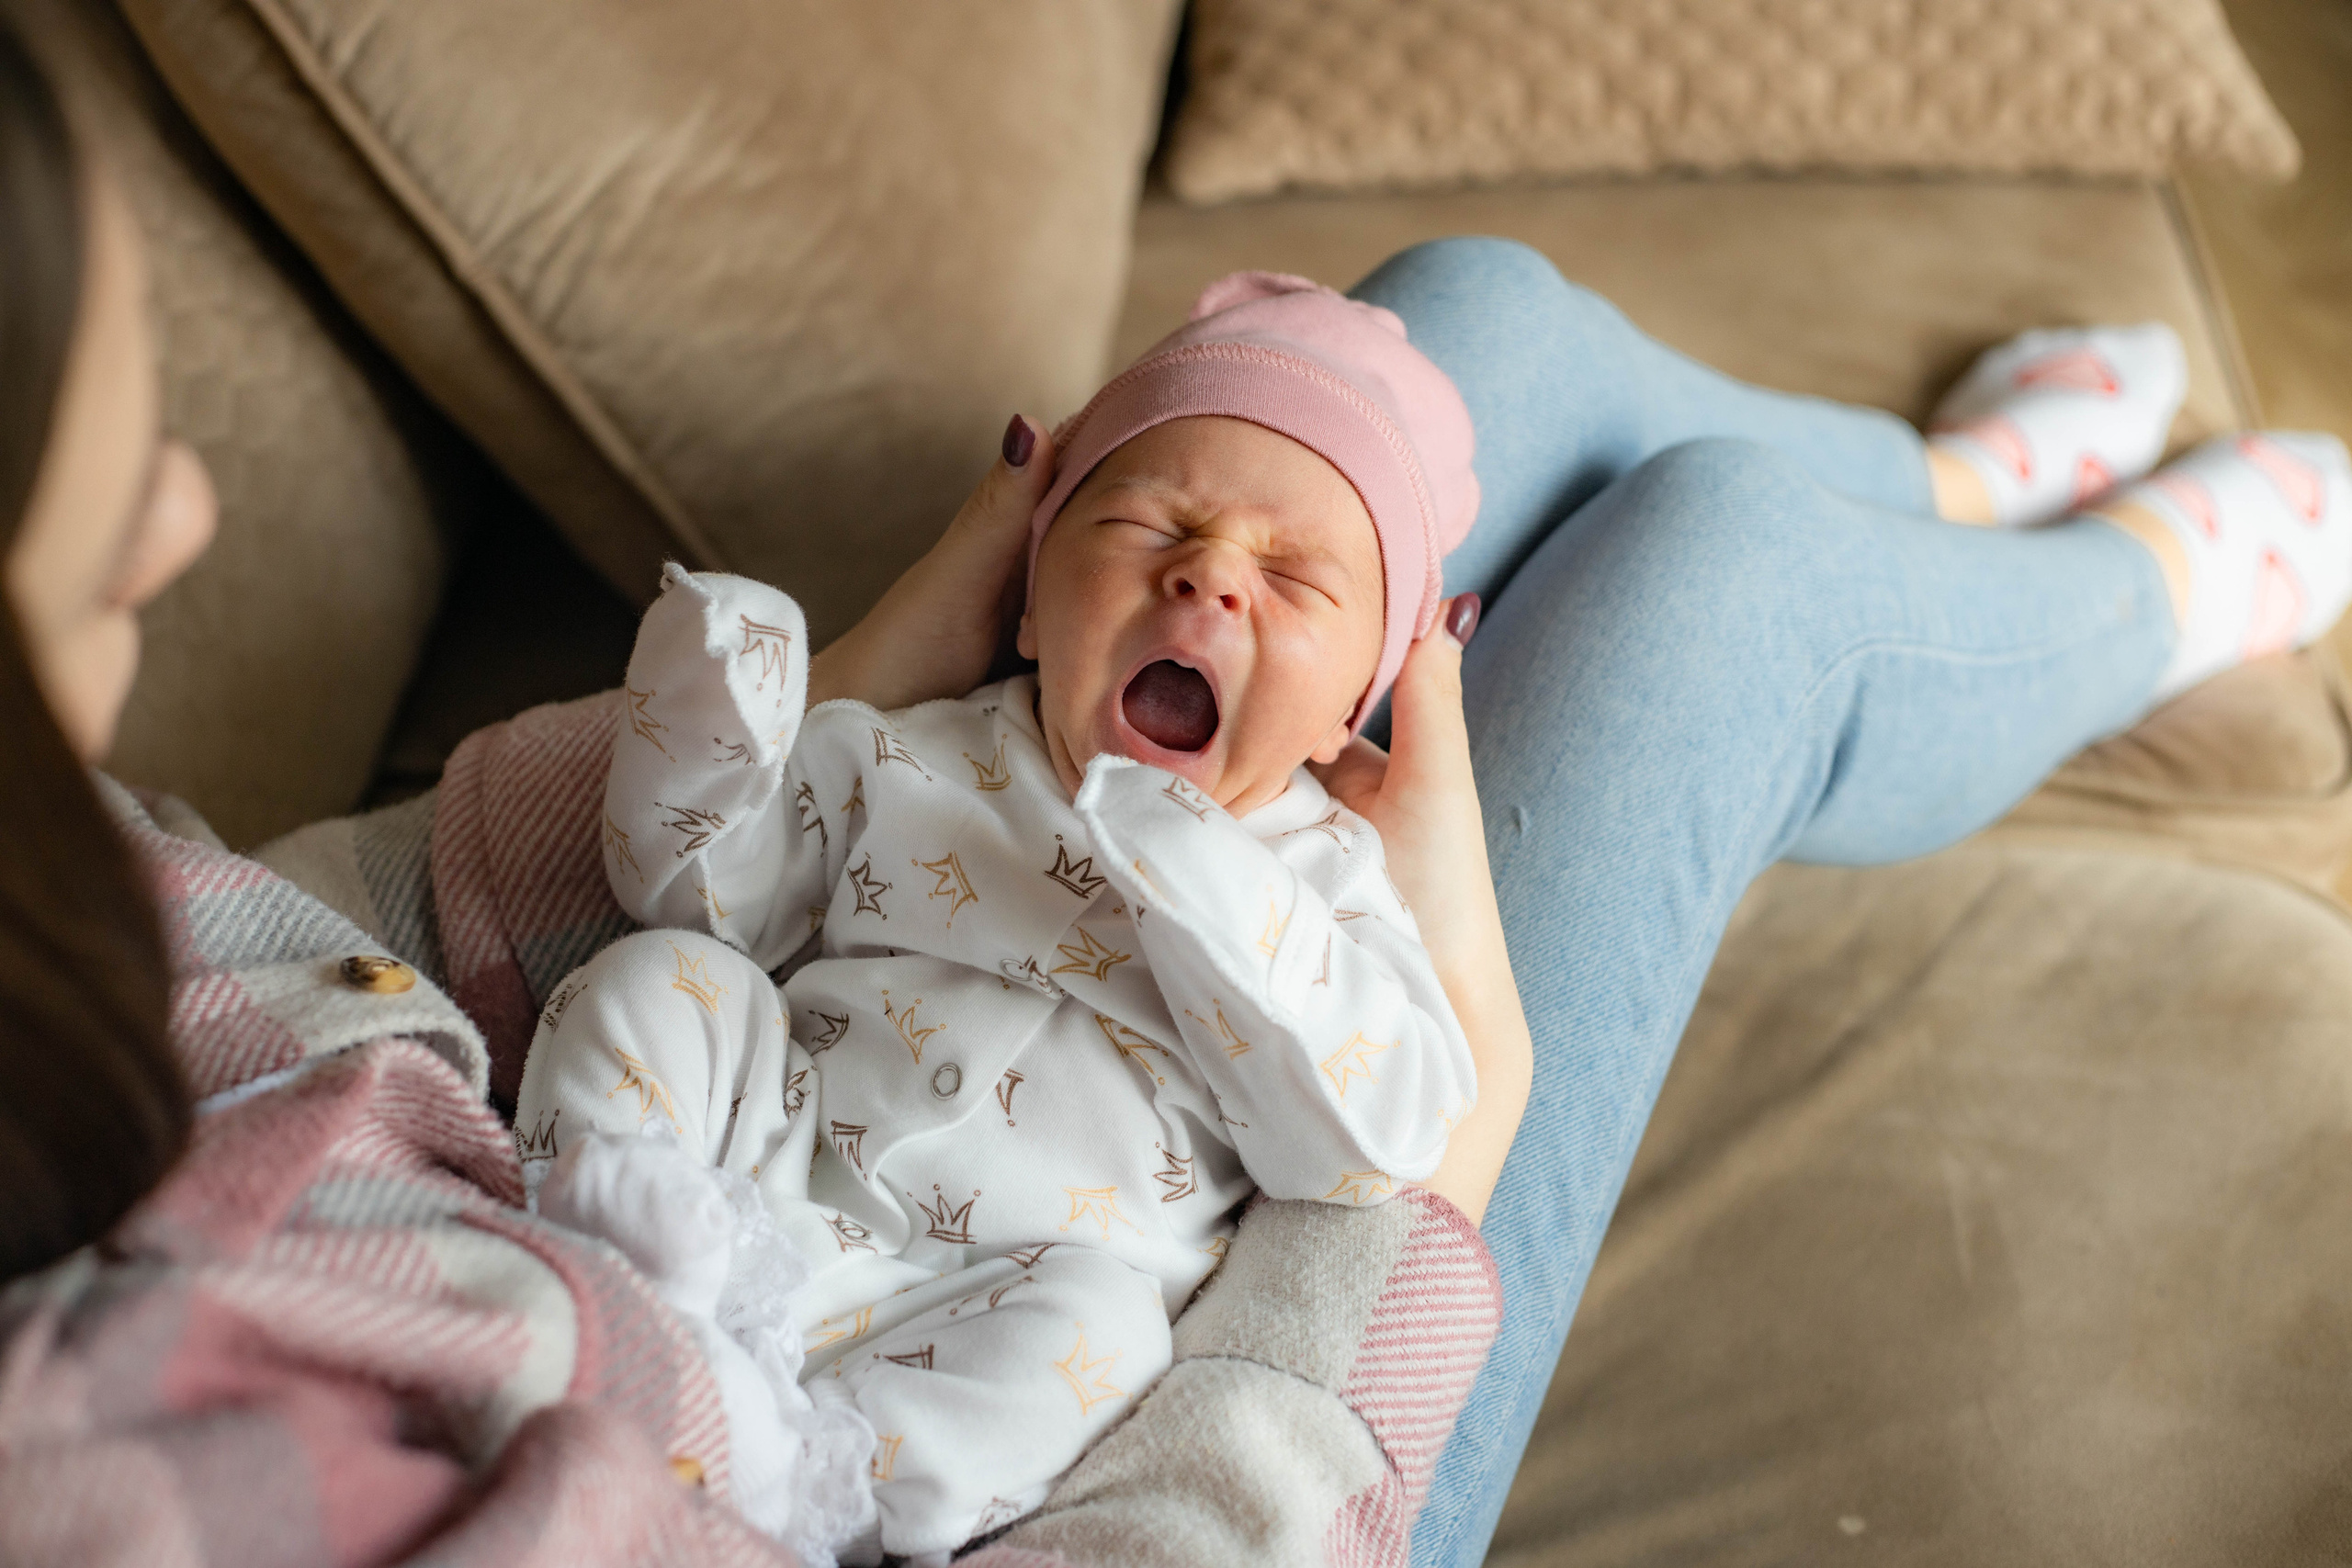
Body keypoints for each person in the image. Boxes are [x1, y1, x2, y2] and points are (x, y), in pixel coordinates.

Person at [4, 6, 2347, 1562]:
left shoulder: (90, 934)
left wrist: (847, 693)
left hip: (735, 1131)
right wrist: (1434, 1164)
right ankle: (2153, 577)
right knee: (1716, 588)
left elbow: (393, 909)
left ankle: (1952, 504)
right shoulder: (159, 1469)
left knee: (1469, 315)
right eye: (112, 513)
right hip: (1114, 1421)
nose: (185, 524)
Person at [515, 274, 1518, 1563]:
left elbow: (1373, 1134)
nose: (1211, 575)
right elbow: (718, 903)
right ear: (1033, 608)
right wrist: (713, 719)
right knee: (658, 985)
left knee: (1105, 1337)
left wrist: (1200, 875)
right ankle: (615, 1258)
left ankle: (810, 1483)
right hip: (764, 1171)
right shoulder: (921, 752)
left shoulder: (1325, 882)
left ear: (1350, 720)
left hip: (1017, 1281)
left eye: (1293, 577)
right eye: (1154, 527)